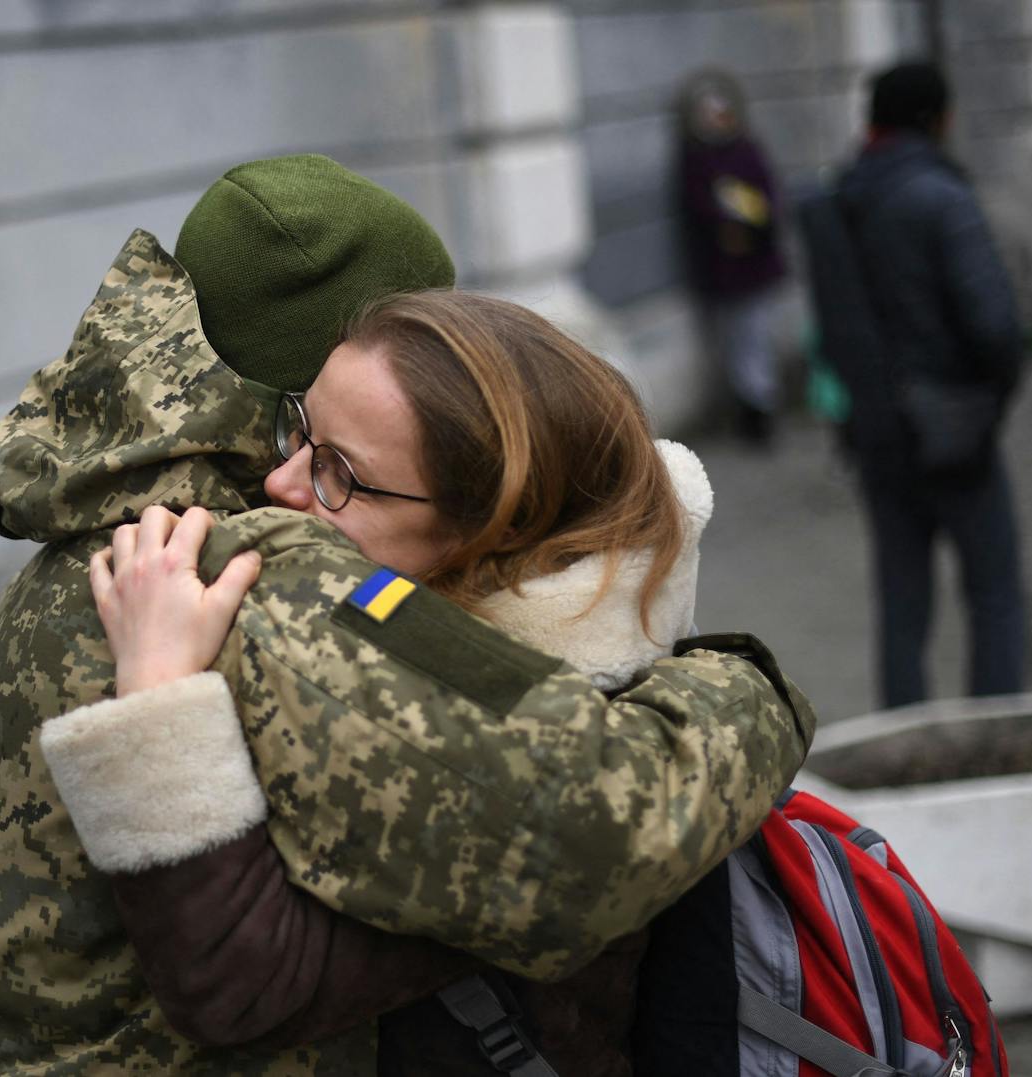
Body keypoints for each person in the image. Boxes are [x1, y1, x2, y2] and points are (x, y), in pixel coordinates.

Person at [0, 154, 816, 1074]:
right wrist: (747, 682)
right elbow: (602, 828)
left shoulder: (106, 512)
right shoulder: (259, 573)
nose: (291, 480)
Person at [42, 289, 721, 1073]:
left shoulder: (512, 742)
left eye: (339, 472)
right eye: (298, 430)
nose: (283, 484)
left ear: (496, 526)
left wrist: (158, 689)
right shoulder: (519, 640)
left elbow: (237, 983)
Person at [798, 62, 1025, 707]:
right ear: (936, 119)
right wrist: (990, 400)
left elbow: (833, 327)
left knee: (902, 598)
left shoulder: (835, 201)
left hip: (876, 430)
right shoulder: (942, 198)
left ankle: (906, 745)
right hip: (956, 429)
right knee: (994, 592)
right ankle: (996, 738)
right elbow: (997, 328)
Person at [677, 69, 787, 445]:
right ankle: (749, 409)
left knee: (753, 338)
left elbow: (767, 203)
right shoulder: (698, 160)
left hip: (751, 266)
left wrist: (748, 227)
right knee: (737, 342)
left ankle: (759, 409)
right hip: (723, 270)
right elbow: (698, 208)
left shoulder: (746, 153)